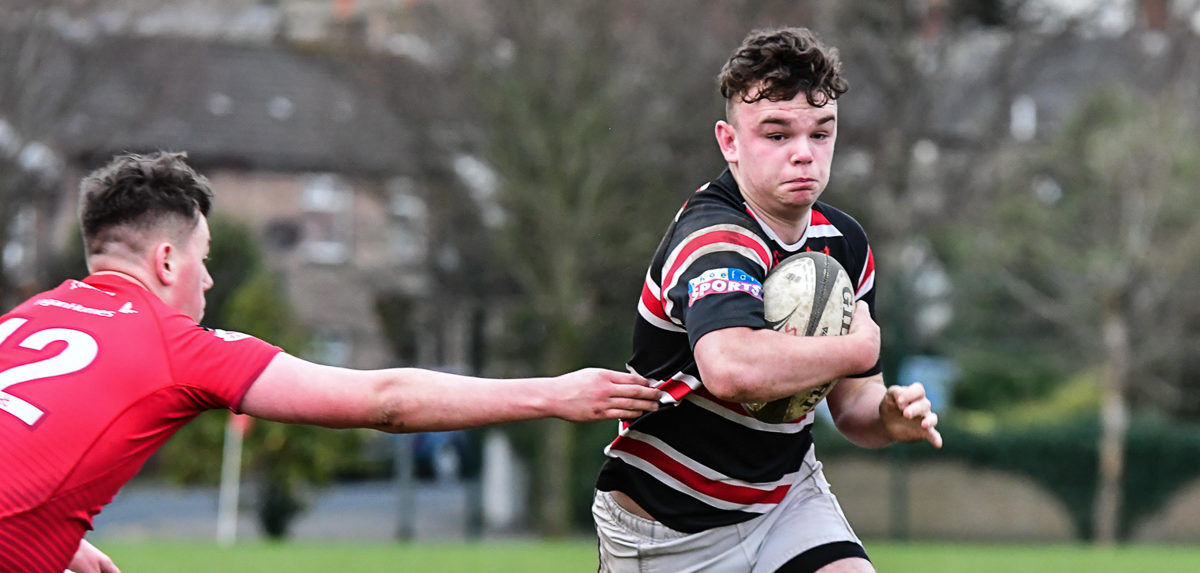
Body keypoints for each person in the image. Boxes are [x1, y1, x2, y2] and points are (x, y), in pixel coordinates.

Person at [0, 151, 663, 573]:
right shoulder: (178, 343)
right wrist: (553, 394)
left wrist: (53, 536)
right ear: (166, 260)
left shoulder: (21, 320)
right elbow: (387, 400)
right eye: (202, 258)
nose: (207, 281)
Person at [592, 27, 941, 573]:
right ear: (729, 142)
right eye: (776, 135)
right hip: (667, 530)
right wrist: (857, 350)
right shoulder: (712, 238)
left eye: (820, 134)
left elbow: (851, 405)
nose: (804, 154)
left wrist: (888, 418)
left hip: (783, 503)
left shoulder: (843, 243)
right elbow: (731, 367)